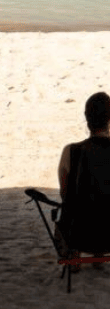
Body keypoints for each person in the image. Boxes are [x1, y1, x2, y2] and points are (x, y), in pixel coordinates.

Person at [57, 91, 110, 254]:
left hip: (78, 236)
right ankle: (99, 253)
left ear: (87, 119)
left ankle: (74, 258)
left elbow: (66, 195)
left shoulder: (71, 151)